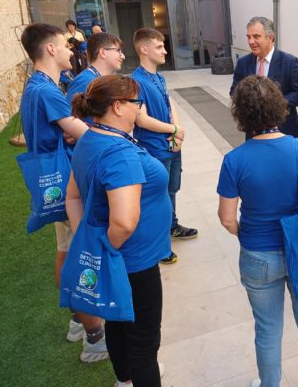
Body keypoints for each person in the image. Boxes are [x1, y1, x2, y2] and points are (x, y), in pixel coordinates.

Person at [217, 76, 298, 387]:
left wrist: (246, 233)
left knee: (267, 329)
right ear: (280, 107)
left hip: (258, 254)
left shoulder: (234, 160)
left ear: (241, 114)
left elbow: (226, 219)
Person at [68, 75, 171, 387]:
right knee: (143, 341)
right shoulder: (119, 153)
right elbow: (125, 222)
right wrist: (107, 248)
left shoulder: (90, 138)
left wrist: (91, 245)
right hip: (134, 262)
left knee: (116, 321)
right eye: (135, 102)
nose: (139, 108)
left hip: (116, 259)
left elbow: (72, 197)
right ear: (117, 106)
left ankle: (124, 380)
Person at [19, 23, 107, 362]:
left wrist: (71, 130)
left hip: (55, 184)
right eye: (65, 45)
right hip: (70, 185)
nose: (72, 50)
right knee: (83, 256)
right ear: (50, 49)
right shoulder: (47, 91)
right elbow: (84, 133)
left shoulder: (35, 86)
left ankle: (77, 322)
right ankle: (95, 337)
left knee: (66, 250)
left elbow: (67, 129)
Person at [132, 28, 194, 265]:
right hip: (155, 149)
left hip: (171, 146)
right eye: (159, 47)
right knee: (156, 196)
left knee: (171, 190)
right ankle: (158, 246)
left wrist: (176, 132)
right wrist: (174, 130)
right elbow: (141, 119)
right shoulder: (136, 81)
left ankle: (172, 226)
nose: (165, 51)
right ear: (144, 49)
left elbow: (170, 105)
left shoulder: (159, 77)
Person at [230, 16, 298, 138]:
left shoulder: (289, 62)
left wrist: (274, 105)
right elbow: (234, 92)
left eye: (256, 36)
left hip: (284, 130)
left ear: (270, 37)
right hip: (253, 133)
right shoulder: (243, 63)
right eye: (249, 37)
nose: (251, 41)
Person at [66, 32, 125, 108]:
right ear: (103, 53)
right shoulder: (85, 81)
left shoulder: (103, 79)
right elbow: (70, 114)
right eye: (118, 50)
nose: (123, 56)